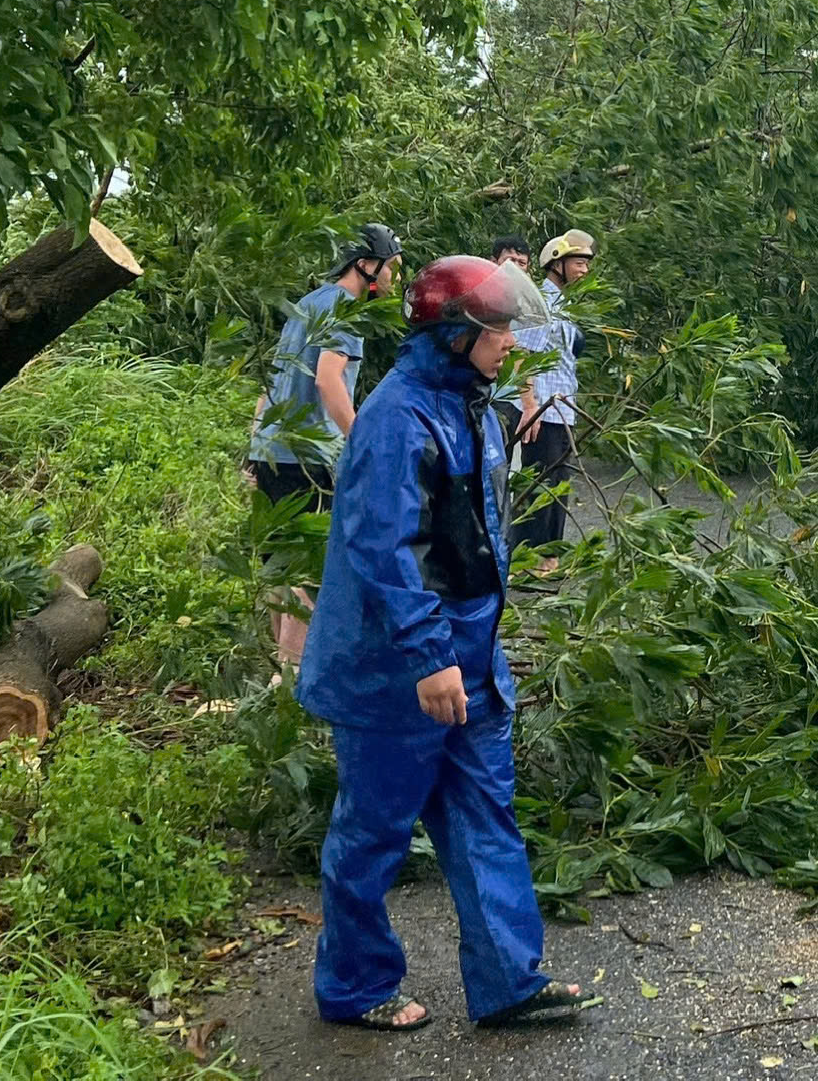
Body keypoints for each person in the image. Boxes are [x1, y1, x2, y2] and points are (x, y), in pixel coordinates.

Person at [297, 254, 585, 1034]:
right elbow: (382, 548)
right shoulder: (395, 420)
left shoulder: (474, 410)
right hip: (393, 673)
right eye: (497, 333)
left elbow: (476, 543)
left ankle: (508, 981)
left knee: (486, 814)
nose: (508, 346)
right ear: (456, 335)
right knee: (374, 833)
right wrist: (429, 657)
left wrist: (471, 656)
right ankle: (355, 988)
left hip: (469, 663)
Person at [249, 224, 402, 667]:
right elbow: (327, 380)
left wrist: (254, 443)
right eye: (390, 266)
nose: (393, 276)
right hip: (310, 453)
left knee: (278, 560)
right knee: (308, 566)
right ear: (365, 265)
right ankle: (294, 673)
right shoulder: (345, 312)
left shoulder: (308, 304)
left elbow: (273, 380)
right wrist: (360, 440)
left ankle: (280, 665)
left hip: (272, 449)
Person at [508, 230, 592, 564]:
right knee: (539, 485)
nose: (584, 270)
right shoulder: (541, 304)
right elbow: (522, 352)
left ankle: (549, 560)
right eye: (578, 263)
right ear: (556, 263)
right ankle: (530, 560)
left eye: (586, 264)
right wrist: (530, 405)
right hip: (543, 410)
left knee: (557, 484)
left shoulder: (567, 307)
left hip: (562, 409)